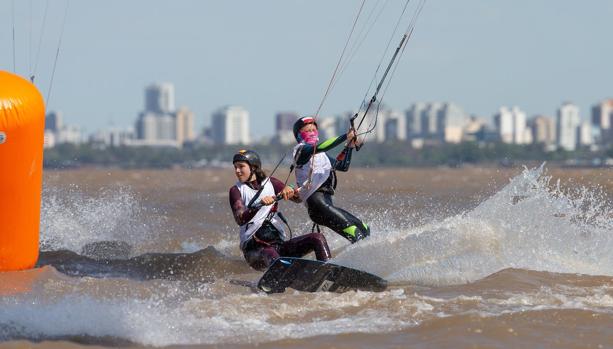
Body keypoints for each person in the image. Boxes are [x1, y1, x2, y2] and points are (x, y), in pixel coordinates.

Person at [229, 149, 331, 271]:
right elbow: (240, 219)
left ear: (254, 167)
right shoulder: (236, 190)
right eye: (235, 167)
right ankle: (284, 276)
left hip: (279, 247)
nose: (237, 171)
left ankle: (328, 272)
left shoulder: (271, 183)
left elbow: (297, 199)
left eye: (241, 167)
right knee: (274, 257)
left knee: (317, 238)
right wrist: (259, 205)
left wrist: (290, 188)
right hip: (255, 251)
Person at [291, 116, 370, 243]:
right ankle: (365, 260)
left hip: (326, 204)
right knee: (355, 232)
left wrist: (349, 146)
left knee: (365, 229)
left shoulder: (322, 155)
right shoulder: (300, 151)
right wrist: (346, 136)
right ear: (299, 135)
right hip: (317, 205)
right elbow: (322, 147)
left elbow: (343, 166)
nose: (312, 133)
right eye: (307, 131)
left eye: (314, 130)